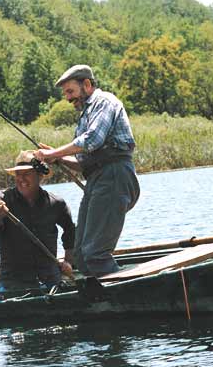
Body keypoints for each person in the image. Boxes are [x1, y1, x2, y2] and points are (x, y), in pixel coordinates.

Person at [34, 65, 140, 277]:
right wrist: (58, 158)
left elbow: (92, 140)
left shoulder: (104, 102)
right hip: (98, 180)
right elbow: (84, 163)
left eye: (70, 91)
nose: (67, 98)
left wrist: (54, 151)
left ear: (87, 85)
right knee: (81, 254)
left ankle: (117, 297)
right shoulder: (85, 115)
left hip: (114, 177)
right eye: (65, 93)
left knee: (95, 253)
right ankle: (96, 301)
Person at [0, 150, 75, 293]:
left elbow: (70, 232)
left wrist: (69, 261)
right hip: (13, 280)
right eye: (18, 175)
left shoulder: (56, 203)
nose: (22, 179)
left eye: (27, 174)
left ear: (40, 176)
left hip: (50, 277)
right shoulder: (0, 201)